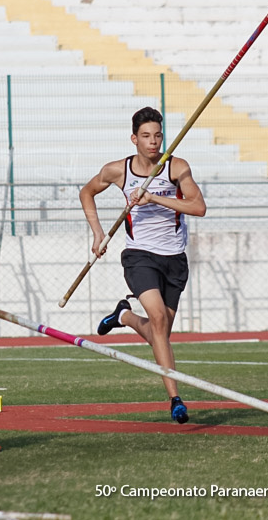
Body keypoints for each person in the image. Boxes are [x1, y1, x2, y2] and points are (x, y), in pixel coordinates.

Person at [79, 106, 206, 424]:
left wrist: (155, 198)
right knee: (159, 319)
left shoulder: (175, 167)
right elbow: (87, 192)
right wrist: (98, 233)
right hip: (140, 257)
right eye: (146, 136)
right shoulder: (118, 170)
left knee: (157, 333)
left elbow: (198, 207)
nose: (153, 142)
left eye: (158, 136)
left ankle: (123, 315)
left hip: (175, 260)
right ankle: (175, 399)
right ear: (134, 139)